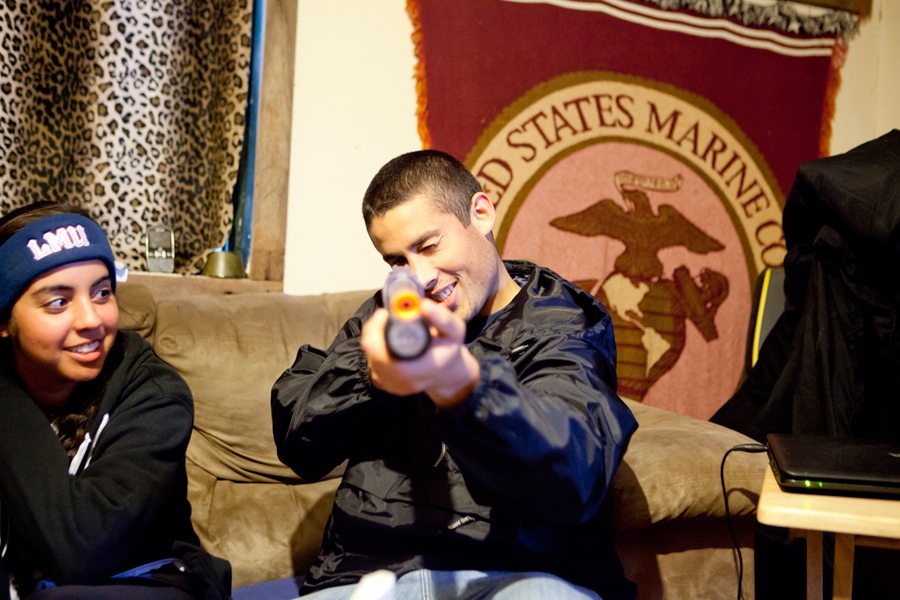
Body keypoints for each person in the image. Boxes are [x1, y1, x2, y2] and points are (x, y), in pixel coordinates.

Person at [271, 150, 638, 599]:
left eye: (429, 246)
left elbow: (575, 473)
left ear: (481, 213)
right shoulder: (384, 315)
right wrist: (369, 374)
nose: (420, 276)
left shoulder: (560, 325)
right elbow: (298, 443)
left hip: (515, 574)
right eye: (397, 261)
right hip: (371, 574)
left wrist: (464, 386)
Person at [0, 202, 231, 599]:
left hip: (148, 581)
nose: (92, 320)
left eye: (102, 292)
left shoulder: (155, 395)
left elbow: (82, 549)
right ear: (4, 322)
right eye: (58, 302)